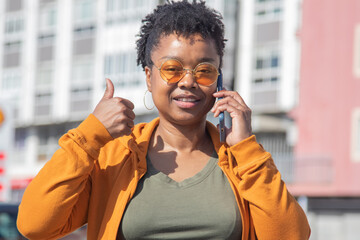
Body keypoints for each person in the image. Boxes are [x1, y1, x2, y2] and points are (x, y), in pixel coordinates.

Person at [17, 1, 310, 239]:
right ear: (149, 75)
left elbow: (291, 235)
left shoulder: (239, 160)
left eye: (204, 70)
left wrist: (246, 147)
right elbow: (35, 224)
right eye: (172, 68)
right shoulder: (114, 157)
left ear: (219, 80)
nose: (188, 82)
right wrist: (89, 136)